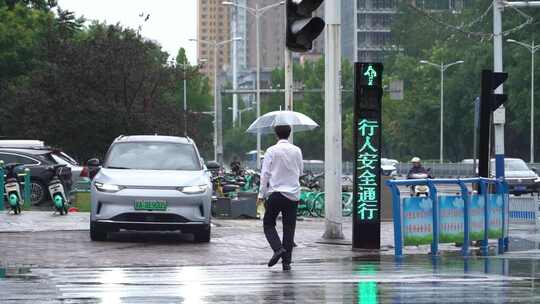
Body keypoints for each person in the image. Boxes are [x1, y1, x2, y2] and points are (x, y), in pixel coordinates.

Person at [257, 124, 303, 271]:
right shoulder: (297, 150)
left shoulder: (271, 151)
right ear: (289, 134)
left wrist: (261, 194)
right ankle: (286, 262)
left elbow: (265, 174)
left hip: (276, 193)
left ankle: (278, 249)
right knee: (289, 228)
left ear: (276, 135)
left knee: (268, 223)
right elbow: (300, 171)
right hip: (293, 195)